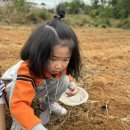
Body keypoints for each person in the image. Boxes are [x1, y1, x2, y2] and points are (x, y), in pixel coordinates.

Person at [1, 9, 81, 130]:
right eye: (53, 58)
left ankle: (48, 103)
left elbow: (65, 73)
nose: (59, 65)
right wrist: (35, 126)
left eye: (65, 60)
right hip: (15, 91)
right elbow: (19, 104)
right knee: (13, 91)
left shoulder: (57, 67)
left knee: (63, 80)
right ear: (39, 53)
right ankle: (18, 122)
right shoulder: (27, 70)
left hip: (36, 88)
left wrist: (71, 84)